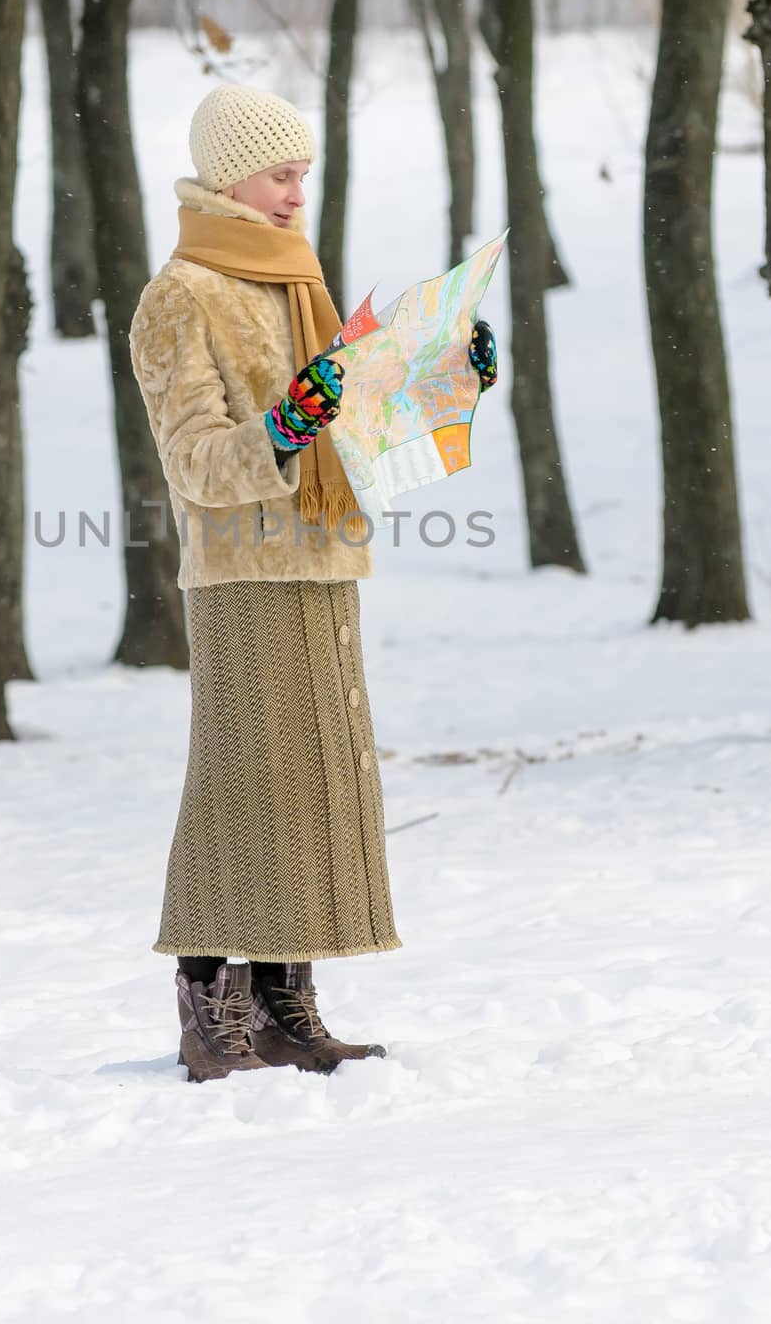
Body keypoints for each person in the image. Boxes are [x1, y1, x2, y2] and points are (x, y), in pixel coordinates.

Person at [129, 84, 497, 1084]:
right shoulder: (181, 294)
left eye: (304, 173)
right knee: (245, 783)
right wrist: (287, 423)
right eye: (282, 173)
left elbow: (355, 421)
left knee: (313, 790)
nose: (298, 193)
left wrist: (450, 376)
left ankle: (284, 1007)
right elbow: (197, 463)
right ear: (229, 175)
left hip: (322, 555)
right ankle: (211, 1011)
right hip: (243, 571)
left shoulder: (294, 279)